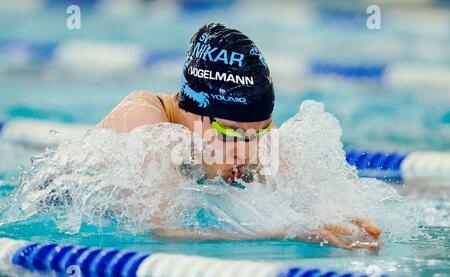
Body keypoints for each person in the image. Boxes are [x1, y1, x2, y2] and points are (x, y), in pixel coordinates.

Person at [98, 23, 382, 251]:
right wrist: (284, 234)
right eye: (231, 134)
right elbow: (161, 232)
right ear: (193, 109)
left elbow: (301, 196)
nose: (246, 152)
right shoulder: (143, 123)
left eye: (262, 131)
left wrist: (334, 218)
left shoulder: (245, 138)